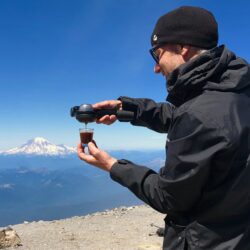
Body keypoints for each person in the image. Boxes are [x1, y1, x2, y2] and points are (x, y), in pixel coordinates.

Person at [77, 6, 250, 250]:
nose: (156, 67)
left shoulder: (200, 113)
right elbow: (190, 118)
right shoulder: (235, 90)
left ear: (182, 48)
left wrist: (112, 166)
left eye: (157, 54)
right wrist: (126, 108)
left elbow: (169, 197)